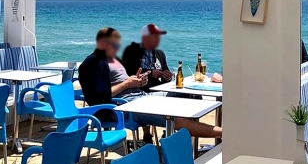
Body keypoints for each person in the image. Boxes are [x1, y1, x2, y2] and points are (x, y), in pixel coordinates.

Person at [79, 27, 221, 140]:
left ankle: (172, 139)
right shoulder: (95, 62)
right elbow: (98, 97)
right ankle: (222, 133)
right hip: (125, 106)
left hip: (141, 95)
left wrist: (138, 81)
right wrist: (128, 84)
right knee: (174, 116)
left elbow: (126, 80)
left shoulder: (114, 59)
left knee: (186, 93)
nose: (118, 46)